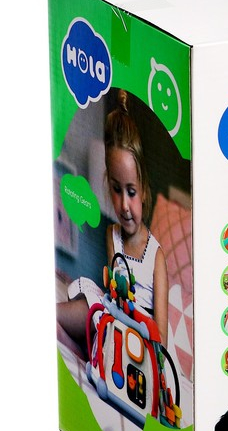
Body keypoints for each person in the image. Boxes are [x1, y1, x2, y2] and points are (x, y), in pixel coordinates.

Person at [57, 89, 169, 349]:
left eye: (131, 192)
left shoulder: (156, 257)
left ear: (144, 191)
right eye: (117, 190)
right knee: (88, 306)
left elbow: (161, 338)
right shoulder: (112, 236)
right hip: (112, 320)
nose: (124, 205)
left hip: (140, 339)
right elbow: (113, 293)